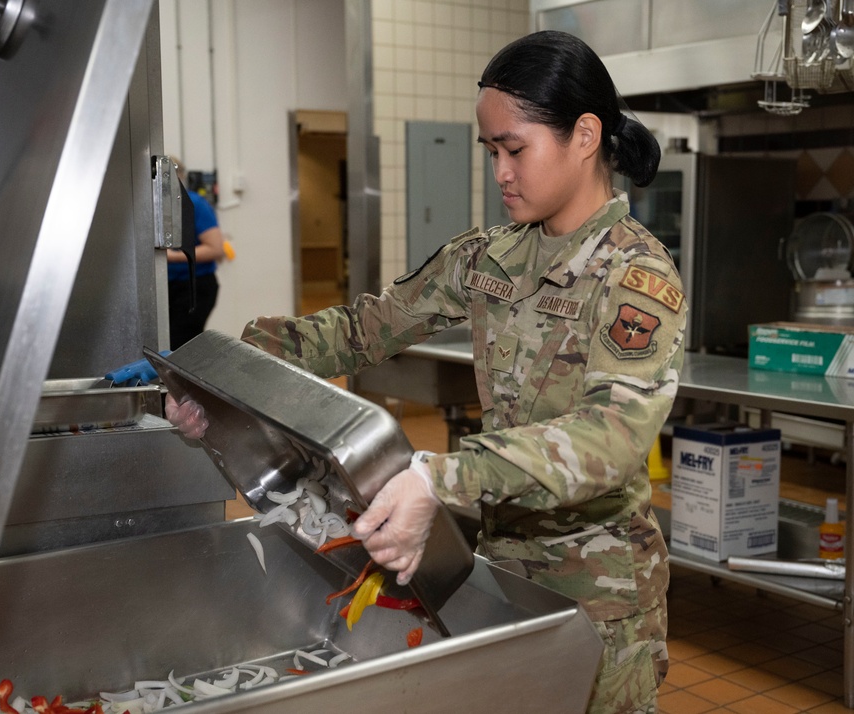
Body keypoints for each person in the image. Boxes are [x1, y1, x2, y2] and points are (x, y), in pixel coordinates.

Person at [166, 30, 686, 714]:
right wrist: (227, 376)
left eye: (515, 150)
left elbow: (612, 437)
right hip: (501, 578)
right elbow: (360, 330)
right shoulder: (490, 257)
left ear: (585, 136)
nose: (499, 171)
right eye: (490, 152)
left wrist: (438, 478)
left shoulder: (636, 276)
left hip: (601, 601)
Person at [167, 158, 225, 349]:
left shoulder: (195, 204)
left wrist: (170, 257)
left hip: (194, 288)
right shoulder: (152, 206)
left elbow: (215, 248)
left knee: (180, 346)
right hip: (166, 288)